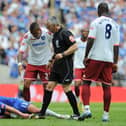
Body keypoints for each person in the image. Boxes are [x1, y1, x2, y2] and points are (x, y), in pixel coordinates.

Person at [78, 2, 120, 122]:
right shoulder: (116, 25)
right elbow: (116, 46)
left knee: (86, 82)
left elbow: (91, 39)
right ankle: (106, 115)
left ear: (99, 10)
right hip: (108, 59)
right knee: (107, 86)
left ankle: (86, 109)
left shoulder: (96, 22)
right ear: (108, 10)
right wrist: (115, 62)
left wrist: (86, 56)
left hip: (96, 57)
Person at [35, 16, 80, 119]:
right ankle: (42, 113)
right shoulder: (54, 35)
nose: (48, 29)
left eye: (49, 27)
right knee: (49, 86)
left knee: (66, 88)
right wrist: (51, 61)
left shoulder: (65, 33)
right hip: (57, 65)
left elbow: (75, 46)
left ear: (55, 25)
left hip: (66, 65)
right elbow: (56, 52)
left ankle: (76, 113)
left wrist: (63, 54)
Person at [17, 22, 53, 101]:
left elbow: (56, 42)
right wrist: (19, 64)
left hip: (45, 63)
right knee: (26, 83)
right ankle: (27, 104)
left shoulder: (47, 33)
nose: (34, 36)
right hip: (32, 63)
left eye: (35, 34)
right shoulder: (27, 36)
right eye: (33, 34)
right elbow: (20, 52)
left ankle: (44, 107)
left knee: (46, 86)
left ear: (39, 30)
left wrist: (52, 59)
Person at [0, 96, 70, 119]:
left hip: (16, 103)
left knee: (36, 110)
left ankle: (59, 116)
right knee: (7, 115)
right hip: (9, 109)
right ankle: (34, 116)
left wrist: (22, 114)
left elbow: (8, 108)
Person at [74, 29, 89, 104]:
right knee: (77, 84)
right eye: (84, 32)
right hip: (78, 65)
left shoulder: (89, 43)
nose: (85, 33)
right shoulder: (76, 41)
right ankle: (77, 97)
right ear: (81, 33)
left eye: (87, 32)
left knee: (85, 85)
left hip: (86, 67)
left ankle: (85, 101)